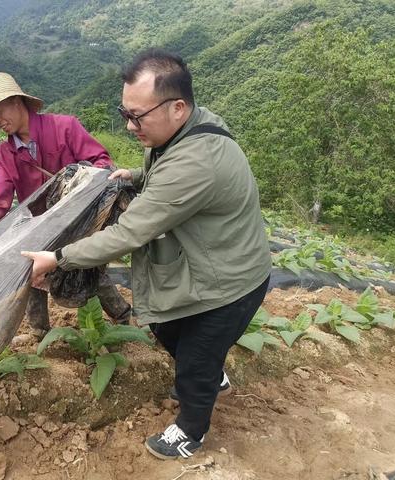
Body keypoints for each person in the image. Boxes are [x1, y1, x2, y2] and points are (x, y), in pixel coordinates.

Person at [21, 49, 272, 460]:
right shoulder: (185, 126)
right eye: (125, 112)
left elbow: (131, 232)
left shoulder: (195, 162)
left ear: (177, 107)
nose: (128, 125)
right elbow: (165, 172)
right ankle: (212, 377)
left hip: (231, 282)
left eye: (138, 116)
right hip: (209, 263)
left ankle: (191, 431)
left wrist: (59, 258)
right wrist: (138, 176)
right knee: (166, 327)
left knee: (193, 358)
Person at [0, 72, 131, 337]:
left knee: (86, 265)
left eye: (0, 111)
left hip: (77, 219)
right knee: (30, 268)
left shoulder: (64, 127)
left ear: (18, 102)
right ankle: (38, 331)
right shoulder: (3, 154)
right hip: (39, 222)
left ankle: (122, 315)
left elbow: (100, 161)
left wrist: (81, 181)